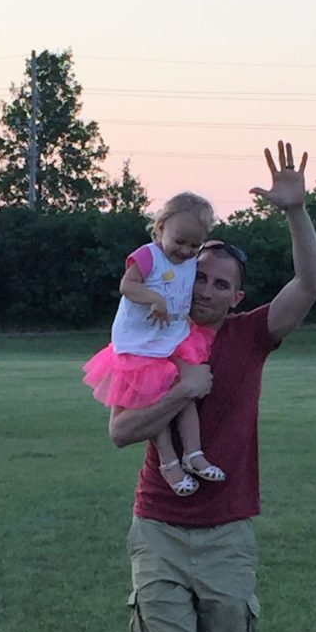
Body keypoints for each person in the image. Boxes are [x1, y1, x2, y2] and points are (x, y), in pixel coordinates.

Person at [108, 141, 316, 632]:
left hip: (228, 527)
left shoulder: (252, 335)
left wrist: (296, 213)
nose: (205, 291)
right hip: (158, 525)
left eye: (220, 284)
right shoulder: (152, 329)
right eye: (198, 276)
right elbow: (120, 430)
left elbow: (310, 285)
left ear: (238, 296)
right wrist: (182, 392)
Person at [83, 192, 225, 497]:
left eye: (194, 245)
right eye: (180, 241)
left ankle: (194, 453)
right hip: (138, 345)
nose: (186, 250)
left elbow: (182, 290)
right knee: (153, 401)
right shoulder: (148, 255)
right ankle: (169, 464)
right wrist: (155, 299)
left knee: (184, 394)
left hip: (169, 338)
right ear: (160, 228)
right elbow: (127, 285)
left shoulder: (188, 261)